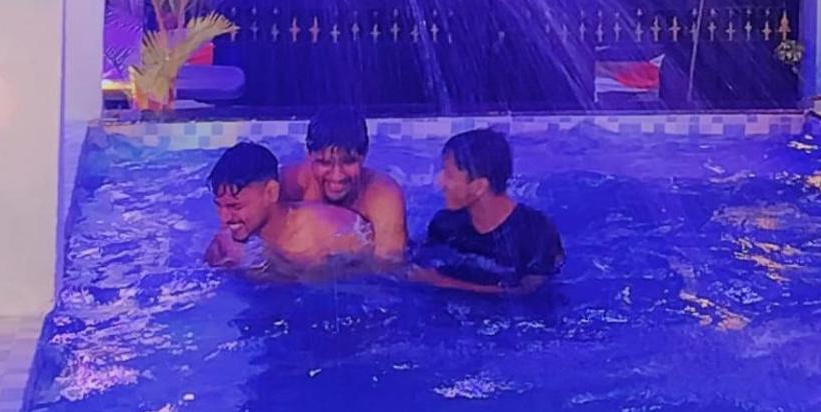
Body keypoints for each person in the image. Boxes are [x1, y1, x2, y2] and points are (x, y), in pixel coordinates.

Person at [411, 128, 564, 294]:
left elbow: (528, 293)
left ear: (479, 187)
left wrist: (444, 283)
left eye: (449, 175)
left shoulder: (537, 230)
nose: (439, 182)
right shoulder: (444, 224)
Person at [204, 140, 372, 273]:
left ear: (271, 192)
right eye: (220, 206)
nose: (224, 218)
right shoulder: (227, 242)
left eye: (235, 207)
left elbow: (374, 276)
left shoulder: (328, 233)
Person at [279, 108, 408, 260]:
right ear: (309, 155)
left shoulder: (383, 196)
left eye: (348, 162)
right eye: (325, 163)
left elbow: (390, 264)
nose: (337, 176)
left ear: (364, 155)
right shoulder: (288, 186)